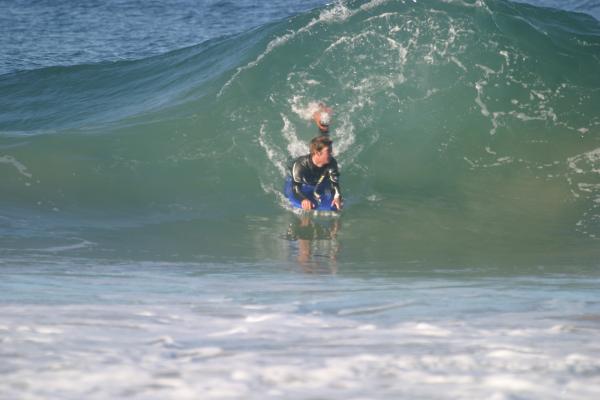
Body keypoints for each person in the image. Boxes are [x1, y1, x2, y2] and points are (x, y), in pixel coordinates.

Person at [289, 135, 343, 211]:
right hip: (304, 183)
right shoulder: (300, 166)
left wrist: (337, 196)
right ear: (318, 153)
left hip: (321, 181)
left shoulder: (332, 163)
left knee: (336, 208)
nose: (331, 154)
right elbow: (296, 188)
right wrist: (303, 199)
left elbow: (335, 183)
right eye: (328, 151)